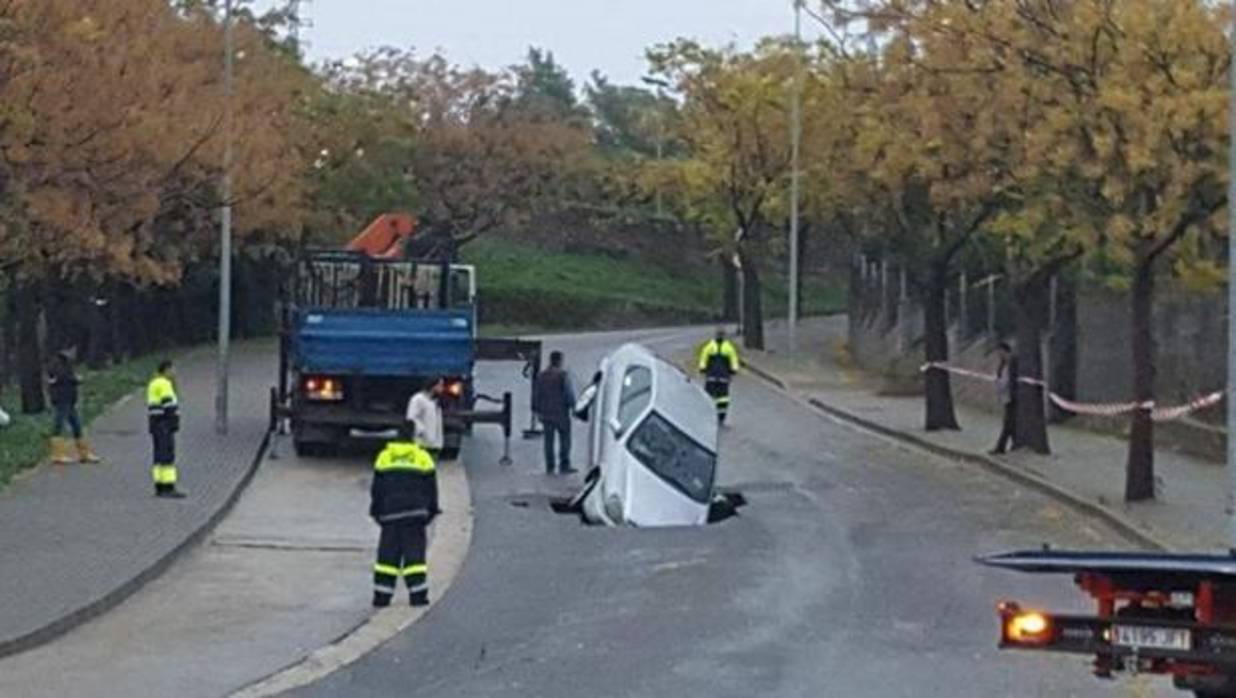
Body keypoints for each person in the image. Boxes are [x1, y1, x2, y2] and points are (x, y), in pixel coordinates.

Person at [370, 421, 440, 608]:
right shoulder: (422, 458)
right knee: (415, 557)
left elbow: (377, 489)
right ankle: (418, 596)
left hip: (390, 515)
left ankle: (381, 597)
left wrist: (376, 511)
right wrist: (431, 511)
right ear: (413, 436)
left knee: (386, 558)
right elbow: (431, 489)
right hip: (415, 515)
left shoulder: (384, 457)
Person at [47, 351, 99, 464]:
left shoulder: (67, 363)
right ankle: (57, 454)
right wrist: (76, 379)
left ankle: (84, 454)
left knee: (76, 425)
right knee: (59, 424)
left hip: (69, 399)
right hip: (62, 398)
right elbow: (61, 378)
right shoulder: (57, 363)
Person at [532, 351, 576, 475]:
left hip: (546, 413)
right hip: (561, 412)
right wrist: (574, 407)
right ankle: (564, 464)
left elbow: (536, 394)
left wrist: (536, 409)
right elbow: (568, 393)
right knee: (565, 439)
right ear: (559, 361)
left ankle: (549, 466)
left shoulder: (541, 376)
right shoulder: (563, 375)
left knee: (548, 441)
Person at [147, 360, 185, 498]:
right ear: (167, 370)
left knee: (158, 455)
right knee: (167, 455)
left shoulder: (153, 383)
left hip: (155, 423)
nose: (175, 373)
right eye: (173, 370)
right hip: (164, 424)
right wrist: (174, 422)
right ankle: (169, 487)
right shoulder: (164, 384)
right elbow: (168, 404)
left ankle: (159, 485)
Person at [697, 328, 741, 425]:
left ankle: (708, 416)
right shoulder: (729, 348)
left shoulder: (709, 347)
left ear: (715, 336)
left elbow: (703, 358)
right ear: (724, 336)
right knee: (723, 398)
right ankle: (721, 418)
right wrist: (733, 371)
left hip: (711, 376)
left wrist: (702, 368)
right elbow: (733, 361)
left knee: (709, 397)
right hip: (723, 377)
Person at [990, 342, 1020, 455]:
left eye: (999, 352)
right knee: (1010, 423)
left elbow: (1009, 380)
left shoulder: (1013, 363)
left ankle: (1000, 447)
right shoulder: (1003, 364)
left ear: (1004, 351)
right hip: (1006, 397)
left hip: (1012, 397)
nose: (998, 354)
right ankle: (1015, 444)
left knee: (1008, 423)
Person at [405, 378, 445, 458]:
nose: (442, 388)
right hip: (421, 445)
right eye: (440, 385)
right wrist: (422, 431)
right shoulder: (418, 399)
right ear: (433, 386)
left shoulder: (435, 402)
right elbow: (411, 418)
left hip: (434, 445)